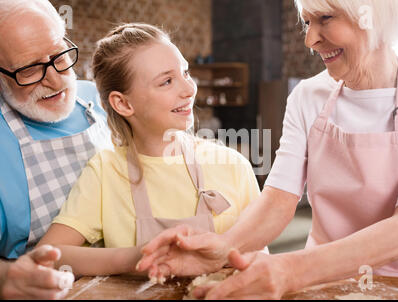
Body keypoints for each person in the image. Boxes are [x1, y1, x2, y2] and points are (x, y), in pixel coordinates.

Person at [136, 0, 398, 299]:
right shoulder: (307, 97)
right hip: (322, 284)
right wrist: (223, 248)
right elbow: (278, 199)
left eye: (325, 18)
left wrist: (290, 271)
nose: (310, 39)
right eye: (308, 22)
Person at [36, 23, 262, 278]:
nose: (189, 89)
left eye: (185, 73)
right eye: (166, 81)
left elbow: (259, 259)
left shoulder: (232, 165)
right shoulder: (106, 172)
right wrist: (137, 256)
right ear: (123, 103)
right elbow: (47, 255)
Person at [0, 0, 111, 299]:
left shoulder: (101, 99)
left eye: (59, 56)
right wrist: (4, 279)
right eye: (30, 69)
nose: (56, 80)